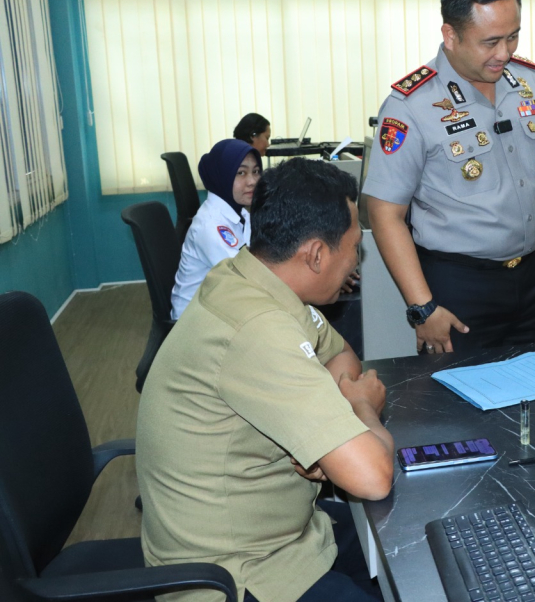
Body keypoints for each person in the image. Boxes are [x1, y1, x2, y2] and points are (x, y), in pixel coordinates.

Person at [137, 159, 393, 602]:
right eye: (354, 247)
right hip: (235, 575)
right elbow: (373, 475)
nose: (357, 258)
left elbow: (341, 358)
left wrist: (328, 441)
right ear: (315, 254)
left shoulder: (251, 275)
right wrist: (362, 406)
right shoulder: (258, 328)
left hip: (287, 532)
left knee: (400, 553)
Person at [363, 0, 535, 354]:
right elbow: (384, 213)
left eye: (513, 37)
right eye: (490, 41)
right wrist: (423, 308)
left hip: (532, 279)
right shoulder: (411, 106)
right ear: (451, 35)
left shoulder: (528, 83)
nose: (504, 53)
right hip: (458, 289)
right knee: (461, 409)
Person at [170, 139, 262, 320]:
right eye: (241, 173)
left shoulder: (241, 213)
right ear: (223, 176)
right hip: (194, 321)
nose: (252, 181)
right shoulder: (210, 226)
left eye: (256, 172)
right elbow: (245, 279)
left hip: (220, 304)